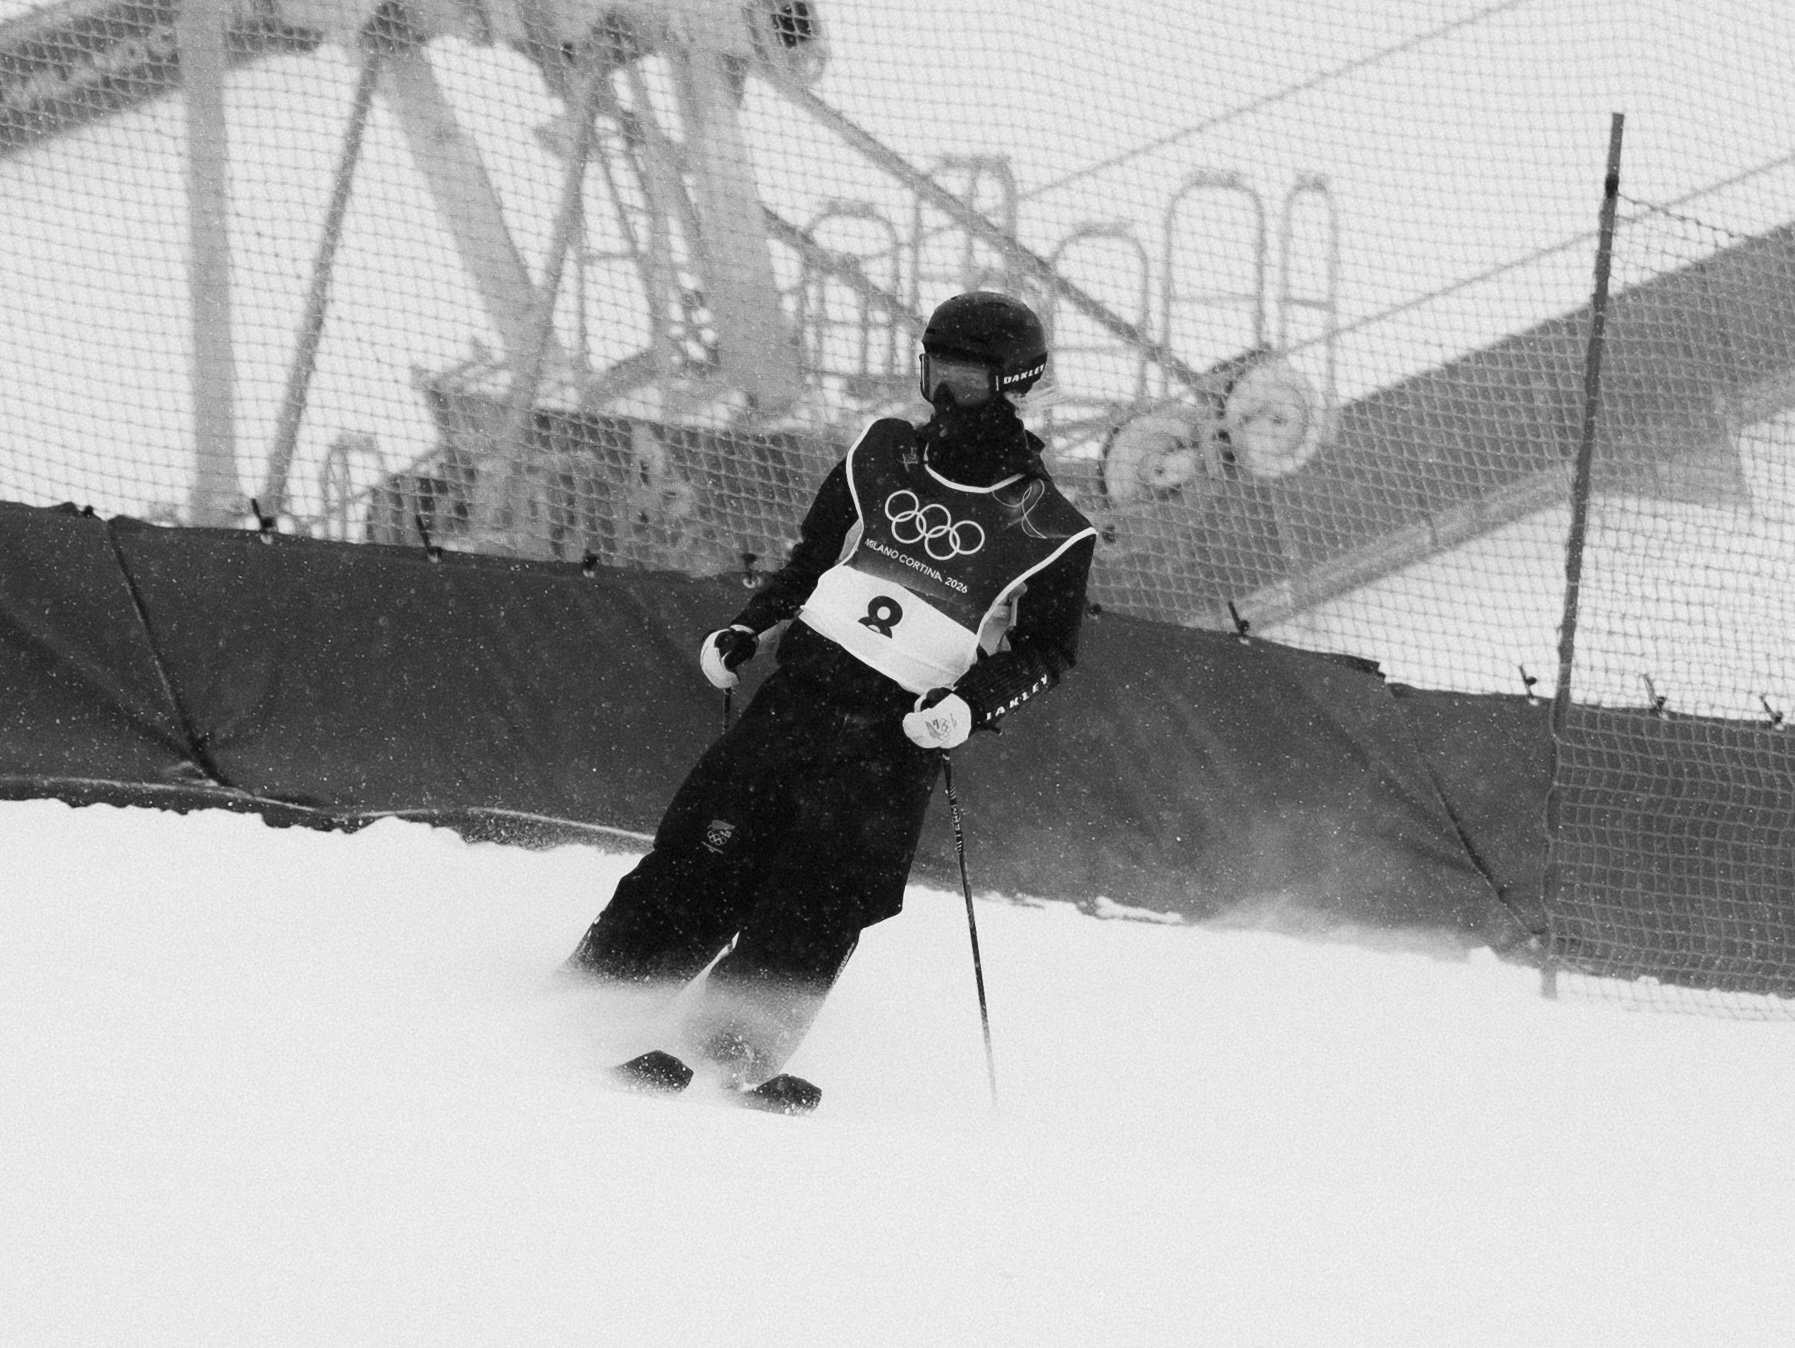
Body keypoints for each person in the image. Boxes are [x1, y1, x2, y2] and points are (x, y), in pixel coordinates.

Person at [565, 291, 1097, 1113]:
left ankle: (730, 1053)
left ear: (1014, 386)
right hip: (797, 701)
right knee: (702, 857)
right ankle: (589, 1011)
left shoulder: (1052, 529)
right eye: (936, 371)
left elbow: (1047, 651)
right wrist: (748, 626)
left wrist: (970, 705)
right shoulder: (880, 453)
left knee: (820, 898)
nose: (944, 394)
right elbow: (813, 557)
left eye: (966, 379)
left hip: (891, 744)